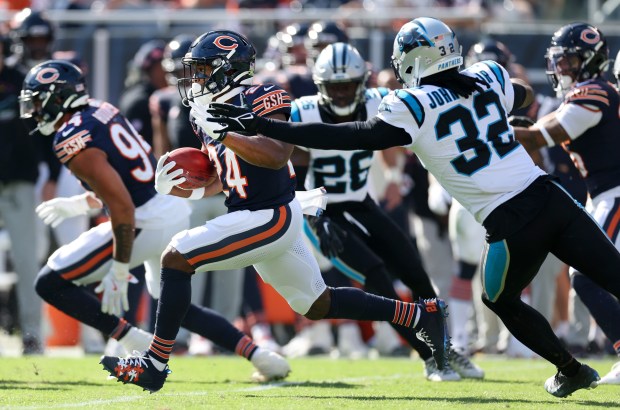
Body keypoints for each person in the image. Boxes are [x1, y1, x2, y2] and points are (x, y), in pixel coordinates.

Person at [206, 17, 620, 398]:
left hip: (509, 220)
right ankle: (465, 355)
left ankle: (570, 369)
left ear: (416, 58)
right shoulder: (489, 74)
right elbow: (524, 93)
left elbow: (353, 136)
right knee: (613, 274)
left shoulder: (413, 104)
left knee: (498, 299)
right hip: (550, 196)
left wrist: (262, 125)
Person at [99, 29, 450, 393]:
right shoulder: (202, 112)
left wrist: (225, 135)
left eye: (203, 69)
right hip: (257, 215)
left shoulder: (264, 94)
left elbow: (277, 154)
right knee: (317, 303)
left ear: (227, 69)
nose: (195, 79)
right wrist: (180, 186)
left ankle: (154, 364)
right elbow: (226, 174)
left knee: (176, 256)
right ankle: (419, 314)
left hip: (270, 215)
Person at [20, 59, 291, 382]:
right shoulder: (99, 110)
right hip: (169, 209)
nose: (34, 110)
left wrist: (121, 268)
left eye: (38, 101)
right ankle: (261, 357)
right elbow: (128, 184)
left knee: (49, 282)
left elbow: (122, 206)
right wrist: (80, 203)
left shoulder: (71, 136)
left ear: (57, 98)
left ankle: (132, 339)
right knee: (173, 304)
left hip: (142, 221)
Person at [291, 41, 483, 381]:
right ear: (321, 87)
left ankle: (445, 348)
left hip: (361, 203)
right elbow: (290, 174)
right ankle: (428, 358)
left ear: (362, 84)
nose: (340, 95)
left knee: (415, 273)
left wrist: (396, 177)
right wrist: (311, 216)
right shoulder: (303, 111)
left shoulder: (379, 102)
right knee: (379, 280)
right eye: (334, 87)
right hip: (324, 212)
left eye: (348, 86)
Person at [512, 22, 620, 385]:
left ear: (590, 61)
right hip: (604, 194)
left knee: (586, 274)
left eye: (568, 61)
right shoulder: (589, 92)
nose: (561, 68)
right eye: (558, 61)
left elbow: (547, 135)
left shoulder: (594, 92)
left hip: (615, 193)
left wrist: (491, 128)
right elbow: (543, 126)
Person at [0, 32, 42, 354]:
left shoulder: (22, 82)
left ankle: (32, 334)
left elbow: (39, 133)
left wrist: (51, 174)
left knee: (28, 261)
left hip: (19, 183)